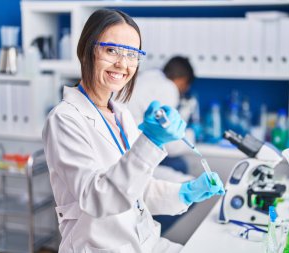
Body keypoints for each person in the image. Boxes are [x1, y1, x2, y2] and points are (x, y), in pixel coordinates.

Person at [42, 9, 225, 253]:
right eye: (111, 50)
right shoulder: (64, 120)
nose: (123, 63)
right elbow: (96, 199)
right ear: (87, 50)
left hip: (145, 243)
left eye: (132, 54)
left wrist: (185, 192)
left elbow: (138, 189)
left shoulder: (121, 114)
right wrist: (150, 141)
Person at [127, 56, 197, 175]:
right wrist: (192, 135)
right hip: (133, 148)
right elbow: (169, 144)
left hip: (124, 140)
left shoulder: (148, 76)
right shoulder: (169, 88)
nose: (186, 89)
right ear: (182, 80)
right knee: (179, 165)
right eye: (186, 85)